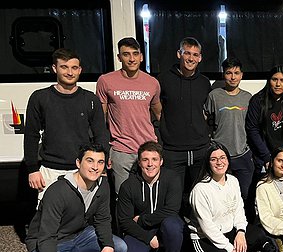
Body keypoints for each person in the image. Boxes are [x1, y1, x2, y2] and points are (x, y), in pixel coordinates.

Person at [25, 143, 127, 252]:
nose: (95, 167)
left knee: (120, 247)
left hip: (78, 234)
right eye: (90, 161)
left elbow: (102, 219)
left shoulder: (102, 185)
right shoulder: (58, 191)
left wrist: (108, 245)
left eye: (100, 162)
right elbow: (45, 238)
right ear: (78, 163)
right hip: (48, 241)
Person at [24, 48, 109, 205]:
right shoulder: (40, 98)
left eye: (74, 68)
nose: (70, 72)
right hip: (50, 170)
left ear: (80, 70)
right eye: (64, 67)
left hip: (83, 170)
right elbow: (31, 135)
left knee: (82, 220)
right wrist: (32, 169)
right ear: (55, 68)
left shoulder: (90, 99)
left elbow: (101, 135)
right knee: (49, 221)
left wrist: (101, 166)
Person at [187, 142, 272, 252]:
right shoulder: (200, 190)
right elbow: (208, 228)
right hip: (205, 238)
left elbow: (239, 209)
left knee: (258, 235)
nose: (219, 162)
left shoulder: (233, 181)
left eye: (222, 157)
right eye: (213, 159)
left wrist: (240, 232)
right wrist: (230, 249)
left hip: (230, 231)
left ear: (228, 160)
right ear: (208, 163)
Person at [117, 141, 186, 252]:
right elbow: (124, 221)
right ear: (139, 163)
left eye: (154, 159)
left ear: (161, 161)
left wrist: (142, 219)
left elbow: (172, 209)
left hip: (163, 225)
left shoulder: (172, 178)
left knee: (173, 225)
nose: (150, 164)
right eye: (145, 160)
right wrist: (148, 238)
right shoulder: (128, 186)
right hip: (142, 230)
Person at [96, 37, 162, 194]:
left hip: (148, 149)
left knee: (150, 195)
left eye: (135, 54)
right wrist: (105, 151)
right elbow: (100, 118)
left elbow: (158, 113)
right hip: (121, 150)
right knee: (123, 197)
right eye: (126, 54)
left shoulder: (152, 83)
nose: (131, 59)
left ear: (141, 56)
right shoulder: (105, 81)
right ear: (119, 57)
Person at [157, 37, 212, 207]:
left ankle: (197, 230)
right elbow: (157, 110)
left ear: (200, 58)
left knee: (200, 196)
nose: (191, 58)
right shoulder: (163, 79)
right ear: (179, 54)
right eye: (187, 53)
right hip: (172, 150)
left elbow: (206, 112)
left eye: (195, 55)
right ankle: (175, 231)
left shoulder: (204, 82)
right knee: (173, 198)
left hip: (200, 149)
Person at [205, 57, 253, 200]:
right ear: (223, 74)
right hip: (220, 154)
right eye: (228, 73)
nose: (233, 77)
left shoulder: (248, 97)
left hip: (242, 154)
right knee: (220, 196)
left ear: (241, 75)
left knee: (244, 194)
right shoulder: (214, 95)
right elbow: (205, 119)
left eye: (236, 73)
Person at [246, 65, 283, 176]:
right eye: (274, 79)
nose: (278, 84)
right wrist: (266, 157)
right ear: (269, 81)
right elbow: (252, 130)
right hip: (265, 157)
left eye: (282, 80)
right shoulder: (257, 100)